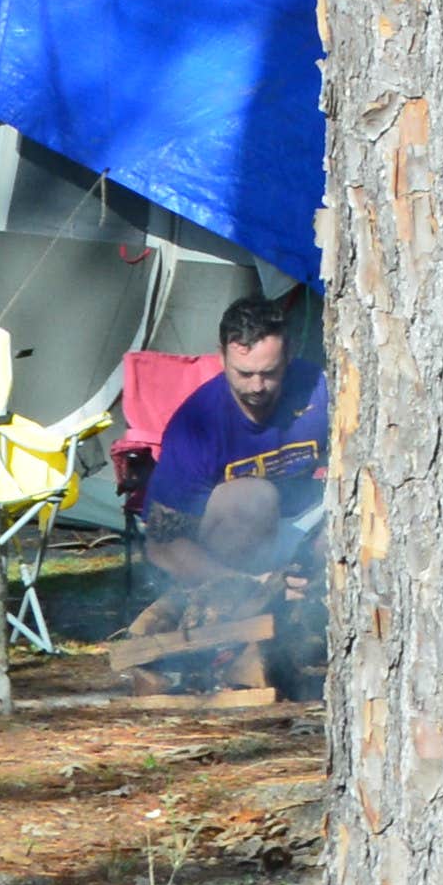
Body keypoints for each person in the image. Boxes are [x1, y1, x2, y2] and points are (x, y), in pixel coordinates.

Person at [130, 290, 331, 696]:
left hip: (305, 530)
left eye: (269, 373)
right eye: (244, 374)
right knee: (253, 497)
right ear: (221, 358)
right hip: (237, 551)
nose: (257, 387)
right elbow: (163, 543)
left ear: (288, 356)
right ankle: (235, 639)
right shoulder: (196, 425)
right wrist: (248, 583)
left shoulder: (321, 392)